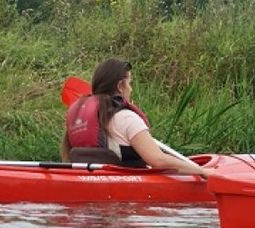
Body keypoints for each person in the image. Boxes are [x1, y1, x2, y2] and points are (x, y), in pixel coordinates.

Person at [61, 58, 210, 178]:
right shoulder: (127, 118)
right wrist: (202, 171)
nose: (131, 89)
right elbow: (158, 161)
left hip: (90, 183)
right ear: (120, 86)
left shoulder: (79, 119)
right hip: (125, 198)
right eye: (130, 83)